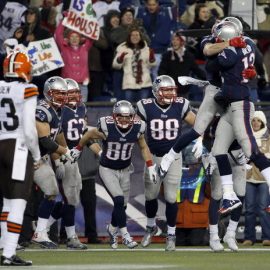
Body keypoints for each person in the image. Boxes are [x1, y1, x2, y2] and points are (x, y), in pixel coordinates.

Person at [157, 19, 257, 214]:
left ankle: (240, 156)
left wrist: (250, 73)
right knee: (198, 129)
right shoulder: (210, 40)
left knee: (237, 127)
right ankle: (170, 156)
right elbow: (208, 52)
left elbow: (246, 64)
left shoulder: (246, 42)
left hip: (233, 90)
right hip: (215, 90)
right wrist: (228, 43)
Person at [70, 100, 157, 249]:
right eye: (120, 116)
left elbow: (143, 147)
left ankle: (112, 228)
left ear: (133, 116)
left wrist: (150, 165)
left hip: (125, 169)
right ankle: (125, 236)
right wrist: (78, 148)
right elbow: (88, 134)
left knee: (121, 206)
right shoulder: (107, 126)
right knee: (118, 200)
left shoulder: (138, 127)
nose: (124, 119)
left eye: (127, 116)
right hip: (107, 168)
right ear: (114, 116)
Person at [136, 75, 202, 251]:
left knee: (172, 197)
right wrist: (149, 161)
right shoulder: (145, 106)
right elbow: (139, 136)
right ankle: (151, 227)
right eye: (165, 90)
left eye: (172, 90)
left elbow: (198, 124)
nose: (170, 94)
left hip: (174, 157)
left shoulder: (181, 104)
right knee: (150, 195)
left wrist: (201, 139)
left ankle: (171, 234)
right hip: (154, 155)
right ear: (156, 92)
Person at [0, 51, 41, 266]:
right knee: (17, 202)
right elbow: (29, 129)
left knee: (6, 203)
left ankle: (4, 246)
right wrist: (36, 155)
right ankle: (8, 253)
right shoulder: (27, 88)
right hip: (17, 146)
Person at [45, 78, 88, 249]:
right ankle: (71, 237)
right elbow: (54, 138)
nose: (74, 96)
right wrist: (57, 160)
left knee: (72, 198)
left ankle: (42, 228)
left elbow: (83, 133)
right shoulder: (58, 111)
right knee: (70, 198)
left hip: (73, 157)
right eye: (69, 93)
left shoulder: (82, 107)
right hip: (62, 156)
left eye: (76, 92)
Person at [31, 76, 72, 249]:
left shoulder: (58, 110)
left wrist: (60, 160)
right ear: (48, 93)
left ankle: (40, 232)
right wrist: (66, 152)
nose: (61, 97)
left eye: (64, 93)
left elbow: (58, 136)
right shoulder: (42, 109)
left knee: (51, 191)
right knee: (12, 198)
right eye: (57, 93)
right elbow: (46, 141)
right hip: (26, 158)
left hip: (40, 157)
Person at [202, 147, 246, 252]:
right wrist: (207, 153)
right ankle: (213, 236)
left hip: (237, 154)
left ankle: (230, 233)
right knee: (216, 195)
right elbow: (203, 132)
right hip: (219, 153)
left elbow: (248, 133)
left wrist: (248, 151)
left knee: (240, 193)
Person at [243, 111, 270, 246]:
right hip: (248, 178)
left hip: (264, 179)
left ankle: (267, 237)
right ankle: (249, 238)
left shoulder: (268, 138)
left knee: (263, 208)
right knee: (249, 209)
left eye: (258, 120)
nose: (255, 123)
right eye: (253, 120)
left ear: (263, 122)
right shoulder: (245, 138)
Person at [54, 17, 93, 102]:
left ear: (80, 39)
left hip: (83, 85)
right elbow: (58, 33)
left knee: (81, 111)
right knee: (70, 110)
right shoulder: (64, 48)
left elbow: (91, 35)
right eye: (72, 36)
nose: (74, 39)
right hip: (69, 85)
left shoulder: (85, 48)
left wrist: (86, 20)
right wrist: (64, 19)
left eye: (76, 37)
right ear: (68, 38)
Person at [158, 30, 206, 98]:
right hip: (169, 90)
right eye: (173, 39)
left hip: (183, 91)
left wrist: (208, 79)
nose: (174, 42)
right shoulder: (167, 55)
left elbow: (197, 70)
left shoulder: (188, 56)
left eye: (177, 40)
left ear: (182, 42)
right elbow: (161, 71)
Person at [112, 27, 156, 102]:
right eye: (132, 35)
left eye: (137, 35)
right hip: (129, 83)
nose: (135, 37)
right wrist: (121, 58)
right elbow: (115, 65)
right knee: (129, 107)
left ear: (140, 37)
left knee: (143, 107)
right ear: (129, 37)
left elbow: (152, 65)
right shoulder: (123, 49)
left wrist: (151, 57)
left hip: (144, 83)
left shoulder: (146, 49)